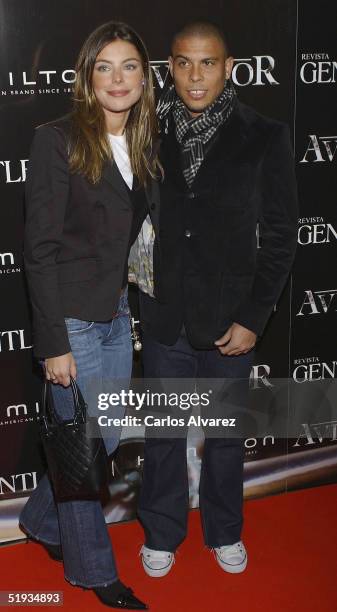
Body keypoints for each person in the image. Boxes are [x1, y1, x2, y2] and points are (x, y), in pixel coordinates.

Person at [133, 20, 298, 577]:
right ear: (170, 68)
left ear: (229, 67)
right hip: (164, 318)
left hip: (232, 320)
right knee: (163, 435)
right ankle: (161, 533)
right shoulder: (147, 130)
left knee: (226, 436)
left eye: (207, 63)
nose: (195, 75)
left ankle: (225, 531)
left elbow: (280, 235)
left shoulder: (264, 135)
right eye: (183, 62)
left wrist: (255, 317)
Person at [19, 21, 161, 610]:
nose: (117, 78)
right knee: (83, 455)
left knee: (94, 445)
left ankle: (39, 519)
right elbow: (40, 249)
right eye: (104, 66)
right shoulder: (57, 139)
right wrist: (54, 342)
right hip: (72, 321)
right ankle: (95, 572)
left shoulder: (145, 143)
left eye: (129, 65)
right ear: (86, 76)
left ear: (144, 77)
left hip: (116, 315)